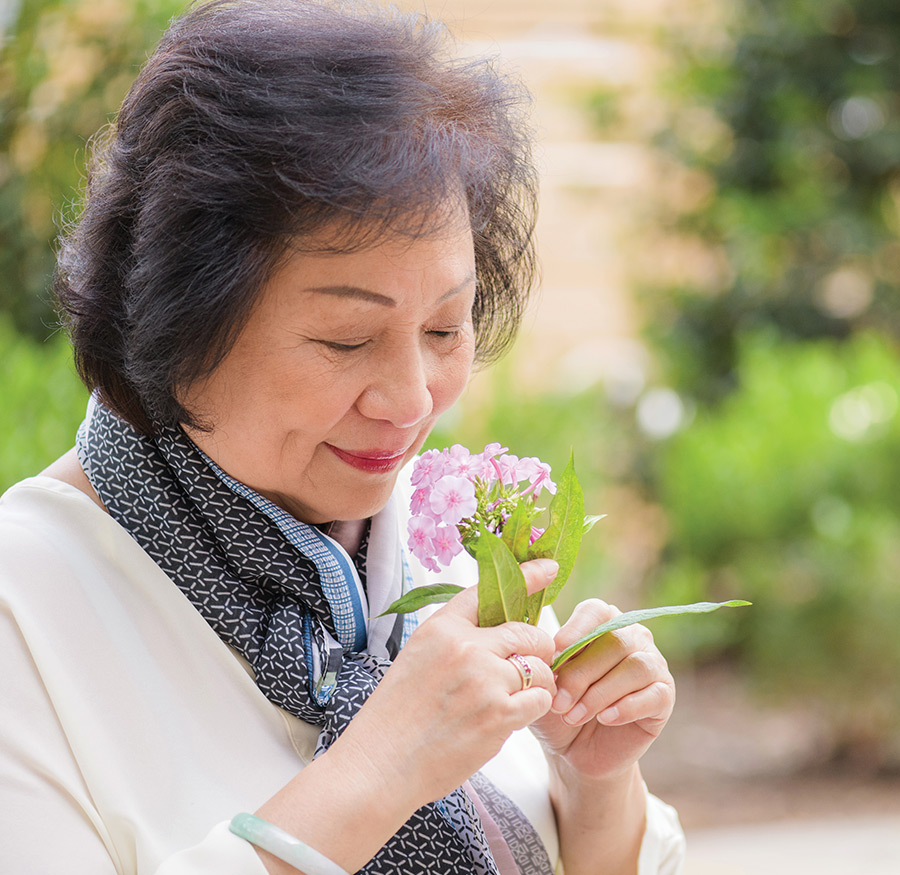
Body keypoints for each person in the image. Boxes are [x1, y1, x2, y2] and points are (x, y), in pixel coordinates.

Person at [0, 1, 685, 872]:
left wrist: (592, 780)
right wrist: (382, 765)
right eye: (345, 340)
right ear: (179, 325)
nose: (410, 400)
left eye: (445, 328)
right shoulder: (23, 607)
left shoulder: (455, 552)